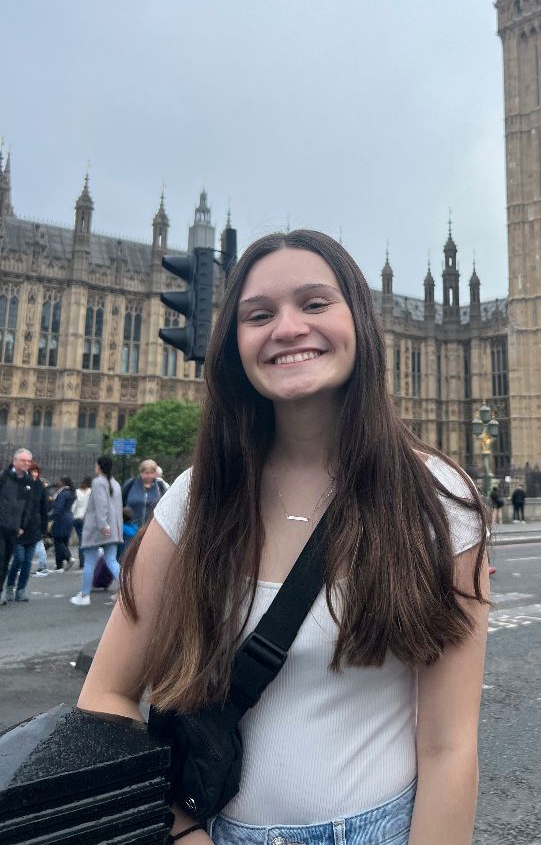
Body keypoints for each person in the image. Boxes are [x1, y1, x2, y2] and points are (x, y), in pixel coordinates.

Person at [76, 229, 489, 845]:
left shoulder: (437, 502)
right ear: (233, 344)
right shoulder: (196, 500)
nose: (288, 327)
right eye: (259, 314)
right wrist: (184, 832)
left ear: (362, 322)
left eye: (316, 303)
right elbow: (105, 695)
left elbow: (450, 748)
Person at [70, 455, 123, 607]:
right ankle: (127, 589)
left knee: (90, 562)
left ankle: (85, 594)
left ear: (99, 467)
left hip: (98, 529)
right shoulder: (115, 483)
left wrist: (102, 525)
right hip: (113, 529)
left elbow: (101, 505)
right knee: (112, 560)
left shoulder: (98, 482)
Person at [5, 456, 49, 601]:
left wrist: (44, 528)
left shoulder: (40, 487)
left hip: (34, 529)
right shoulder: (22, 484)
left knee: (27, 562)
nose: (35, 474)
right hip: (19, 528)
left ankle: (21, 589)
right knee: (18, 558)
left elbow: (44, 508)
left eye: (37, 471)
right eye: (32, 471)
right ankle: (10, 586)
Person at [0, 448, 33, 605]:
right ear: (14, 461)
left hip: (14, 528)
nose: (26, 463)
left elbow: (27, 506)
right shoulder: (4, 477)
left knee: (6, 560)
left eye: (28, 461)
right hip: (1, 525)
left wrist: (22, 526)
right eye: (23, 460)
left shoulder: (28, 482)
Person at [122, 459, 167, 530]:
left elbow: (164, 505)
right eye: (146, 473)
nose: (149, 476)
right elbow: (122, 503)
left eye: (151, 473)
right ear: (141, 472)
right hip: (131, 529)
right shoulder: (130, 484)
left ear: (155, 473)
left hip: (152, 528)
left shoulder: (160, 486)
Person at [51, 476, 77, 571]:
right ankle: (59, 564)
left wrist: (51, 517)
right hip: (69, 517)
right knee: (64, 541)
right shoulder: (71, 493)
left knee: (58, 540)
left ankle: (68, 558)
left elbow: (58, 507)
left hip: (61, 519)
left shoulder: (62, 493)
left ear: (63, 482)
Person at [71, 477, 92, 560]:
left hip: (76, 517)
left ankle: (81, 559)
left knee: (80, 539)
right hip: (84, 518)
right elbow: (89, 505)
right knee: (84, 540)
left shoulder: (77, 491)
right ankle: (83, 559)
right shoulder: (90, 491)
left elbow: (74, 505)